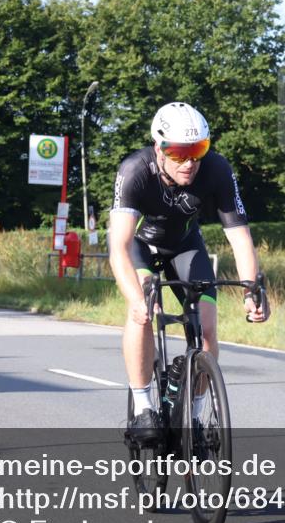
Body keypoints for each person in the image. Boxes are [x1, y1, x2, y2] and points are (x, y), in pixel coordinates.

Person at [108, 102, 269, 442]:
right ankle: (143, 408)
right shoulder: (135, 170)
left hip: (185, 246)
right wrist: (136, 300)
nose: (190, 163)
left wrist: (251, 291)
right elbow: (118, 247)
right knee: (143, 311)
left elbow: (240, 238)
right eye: (179, 154)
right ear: (159, 148)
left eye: (197, 151)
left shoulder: (217, 169)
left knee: (207, 327)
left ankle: (194, 418)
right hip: (141, 248)